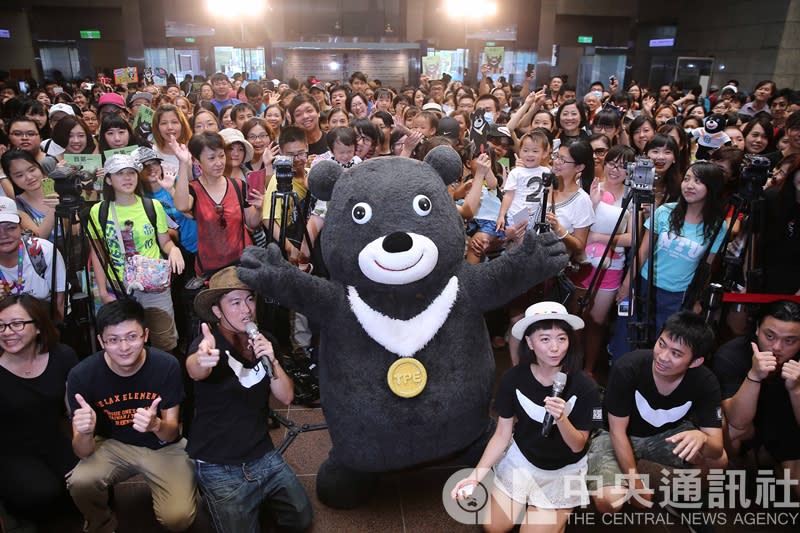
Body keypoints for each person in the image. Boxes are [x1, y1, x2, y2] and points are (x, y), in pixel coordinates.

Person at [451, 302, 601, 532]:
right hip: (523, 461)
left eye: (562, 339)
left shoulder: (585, 387)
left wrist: (561, 418)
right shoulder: (514, 378)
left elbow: (578, 445)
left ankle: (550, 514)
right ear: (529, 342)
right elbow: (502, 435)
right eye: (545, 339)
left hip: (562, 469)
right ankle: (531, 505)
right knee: (494, 527)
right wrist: (475, 477)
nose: (555, 348)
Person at [185, 267, 313, 532]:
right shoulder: (208, 344)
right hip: (218, 463)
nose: (246, 309)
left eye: (250, 299)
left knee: (301, 517)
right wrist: (202, 360)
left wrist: (274, 360)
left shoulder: (265, 341)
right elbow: (194, 368)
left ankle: (254, 500)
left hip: (261, 454)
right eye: (235, 302)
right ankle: (213, 497)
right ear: (217, 311)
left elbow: (286, 395)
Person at [66, 299, 198, 533]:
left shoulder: (166, 365)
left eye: (131, 337)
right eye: (113, 340)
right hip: (111, 444)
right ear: (101, 341)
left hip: (161, 446)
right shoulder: (81, 375)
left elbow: (172, 433)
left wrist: (156, 425)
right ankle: (102, 523)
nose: (124, 347)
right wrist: (85, 433)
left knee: (178, 519)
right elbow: (82, 451)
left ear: (145, 335)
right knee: (80, 481)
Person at [587, 310, 727, 514]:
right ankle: (632, 471)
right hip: (615, 434)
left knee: (718, 461)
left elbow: (716, 449)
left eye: (676, 354)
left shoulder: (706, 382)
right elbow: (617, 432)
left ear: (695, 361)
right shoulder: (628, 367)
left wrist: (703, 439)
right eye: (662, 344)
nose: (662, 357)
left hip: (664, 434)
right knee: (610, 501)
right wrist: (634, 483)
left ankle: (678, 497)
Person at [609, 162, 726, 360]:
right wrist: (627, 285)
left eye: (698, 181)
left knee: (662, 343)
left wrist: (697, 299)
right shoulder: (665, 211)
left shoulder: (717, 226)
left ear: (711, 187)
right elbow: (643, 251)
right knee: (627, 337)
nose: (689, 185)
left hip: (677, 295)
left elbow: (706, 267)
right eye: (687, 179)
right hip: (645, 284)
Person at [87, 154, 185, 352]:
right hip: (119, 285)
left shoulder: (152, 206)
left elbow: (164, 241)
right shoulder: (99, 211)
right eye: (120, 174)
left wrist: (173, 250)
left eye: (131, 172)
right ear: (108, 179)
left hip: (154, 284)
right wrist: (104, 292)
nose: (127, 178)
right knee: (126, 343)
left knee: (163, 339)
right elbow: (98, 255)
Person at [0, 295, 78, 522]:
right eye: (1, 326)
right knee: (43, 494)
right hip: (10, 450)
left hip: (52, 440)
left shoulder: (62, 356)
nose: (7, 332)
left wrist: (85, 453)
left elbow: (75, 411)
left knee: (87, 483)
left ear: (37, 327)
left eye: (16, 324)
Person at [713, 300, 800, 497]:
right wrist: (754, 375)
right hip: (747, 429)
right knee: (726, 425)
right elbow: (736, 421)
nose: (776, 347)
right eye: (769, 336)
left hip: (788, 430)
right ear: (757, 328)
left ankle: (772, 463)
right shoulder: (731, 354)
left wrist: (796, 390)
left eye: (790, 341)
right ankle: (739, 464)